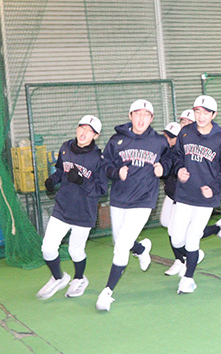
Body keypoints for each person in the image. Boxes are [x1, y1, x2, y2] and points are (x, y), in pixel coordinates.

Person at [96, 100, 172, 311]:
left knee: (121, 246)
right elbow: (105, 165)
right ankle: (141, 248)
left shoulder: (159, 141)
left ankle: (107, 292)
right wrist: (116, 173)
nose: (141, 119)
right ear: (130, 116)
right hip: (120, 198)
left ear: (151, 118)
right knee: (119, 240)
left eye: (146, 115)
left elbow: (170, 159)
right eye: (137, 114)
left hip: (143, 201)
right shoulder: (117, 140)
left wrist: (163, 168)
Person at [37, 116, 106, 300]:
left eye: (89, 131)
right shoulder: (66, 147)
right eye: (82, 128)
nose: (84, 133)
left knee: (75, 251)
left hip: (84, 211)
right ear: (77, 129)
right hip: (62, 207)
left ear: (96, 135)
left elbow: (101, 189)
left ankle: (79, 278)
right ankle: (59, 277)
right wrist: (53, 179)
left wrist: (82, 181)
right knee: (47, 248)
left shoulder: (98, 158)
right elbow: (60, 170)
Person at [170, 95, 221, 294]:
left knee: (192, 239)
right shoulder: (186, 132)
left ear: (214, 115)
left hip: (206, 198)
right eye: (198, 111)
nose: (201, 116)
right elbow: (177, 156)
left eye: (206, 112)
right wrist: (179, 169)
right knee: (176, 239)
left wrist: (214, 188)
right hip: (184, 194)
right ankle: (199, 249)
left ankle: (188, 279)